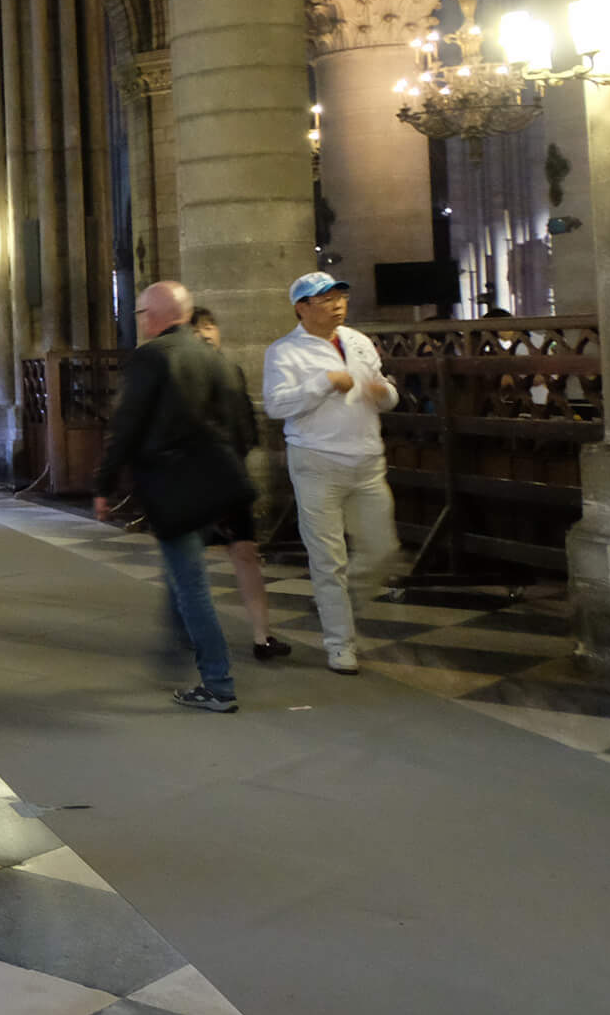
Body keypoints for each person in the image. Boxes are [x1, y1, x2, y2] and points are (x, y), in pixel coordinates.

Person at [92, 282, 251, 712]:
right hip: (212, 484)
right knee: (185, 571)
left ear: (158, 314)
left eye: (142, 312)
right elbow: (239, 421)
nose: (140, 320)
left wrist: (105, 484)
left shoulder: (150, 357)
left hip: (174, 486)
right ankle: (180, 642)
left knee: (191, 584)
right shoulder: (211, 355)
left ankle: (218, 682)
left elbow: (126, 424)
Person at [262, 271, 399, 675]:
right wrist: (323, 382)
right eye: (325, 299)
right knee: (328, 558)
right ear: (301, 308)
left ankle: (335, 602)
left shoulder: (357, 341)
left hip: (367, 460)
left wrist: (384, 394)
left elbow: (384, 389)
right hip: (316, 461)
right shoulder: (284, 351)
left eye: (340, 295)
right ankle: (340, 643)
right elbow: (277, 405)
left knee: (382, 550)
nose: (337, 304)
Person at [191, 306, 288, 661]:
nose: (206, 333)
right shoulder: (181, 376)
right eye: (198, 329)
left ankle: (263, 637)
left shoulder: (232, 371)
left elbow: (245, 420)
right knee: (189, 562)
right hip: (197, 483)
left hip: (231, 479)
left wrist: (243, 453)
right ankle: (191, 631)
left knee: (246, 554)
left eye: (210, 326)